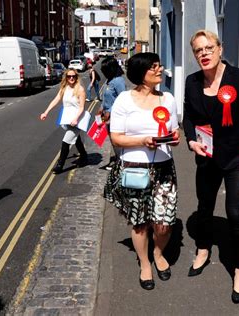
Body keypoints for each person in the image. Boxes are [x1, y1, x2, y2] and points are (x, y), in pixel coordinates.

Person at [183, 30, 239, 303]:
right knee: (204, 208)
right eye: (198, 50)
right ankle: (203, 250)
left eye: (208, 48)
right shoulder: (192, 82)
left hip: (234, 158)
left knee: (235, 215)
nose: (204, 54)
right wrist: (191, 140)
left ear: (220, 49)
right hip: (206, 157)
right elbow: (189, 118)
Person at [104, 52, 181, 290]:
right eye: (154, 67)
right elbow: (116, 138)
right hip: (135, 168)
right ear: (141, 73)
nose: (160, 70)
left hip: (164, 168)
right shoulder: (124, 100)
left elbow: (174, 132)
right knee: (139, 222)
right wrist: (143, 141)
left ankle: (158, 253)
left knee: (164, 222)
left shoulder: (168, 99)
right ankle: (145, 263)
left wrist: (173, 139)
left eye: (160, 65)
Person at [40, 68, 88, 174]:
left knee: (66, 141)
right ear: (65, 77)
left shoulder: (80, 89)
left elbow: (81, 107)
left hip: (77, 120)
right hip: (67, 119)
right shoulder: (64, 88)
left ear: (76, 77)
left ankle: (60, 165)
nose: (71, 78)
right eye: (69, 76)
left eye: (73, 76)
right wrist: (46, 112)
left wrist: (76, 119)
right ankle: (84, 156)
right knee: (76, 139)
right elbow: (56, 100)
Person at [99, 56, 126, 169]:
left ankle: (121, 162)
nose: (103, 72)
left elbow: (123, 99)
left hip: (115, 117)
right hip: (107, 116)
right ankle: (117, 159)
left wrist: (109, 111)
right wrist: (101, 107)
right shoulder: (109, 80)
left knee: (116, 139)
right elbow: (106, 98)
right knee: (112, 139)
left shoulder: (118, 81)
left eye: (105, 70)